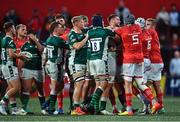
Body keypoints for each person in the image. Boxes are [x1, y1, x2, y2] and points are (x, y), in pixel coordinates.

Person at [115, 15, 161, 116]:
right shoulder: (139, 29)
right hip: (140, 59)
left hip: (129, 59)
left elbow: (114, 31)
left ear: (126, 22)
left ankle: (129, 109)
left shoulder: (123, 29)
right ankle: (154, 102)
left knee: (127, 84)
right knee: (140, 83)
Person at [87, 15, 115, 114]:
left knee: (98, 84)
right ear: (100, 22)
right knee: (104, 83)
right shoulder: (105, 31)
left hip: (91, 61)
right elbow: (114, 34)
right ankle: (91, 105)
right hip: (100, 60)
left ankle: (96, 109)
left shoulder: (89, 32)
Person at [0, 22, 27, 115]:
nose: (15, 30)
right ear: (11, 29)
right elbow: (11, 54)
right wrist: (20, 56)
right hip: (9, 65)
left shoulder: (4, 39)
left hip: (5, 65)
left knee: (11, 88)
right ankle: (2, 103)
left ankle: (14, 109)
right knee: (16, 87)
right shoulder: (9, 40)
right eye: (14, 28)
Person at [18, 29, 47, 115]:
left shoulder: (39, 43)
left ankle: (43, 108)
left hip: (39, 69)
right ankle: (23, 108)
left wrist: (35, 40)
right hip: (27, 69)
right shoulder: (25, 46)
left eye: (31, 35)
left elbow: (41, 50)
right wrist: (19, 69)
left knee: (40, 89)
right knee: (26, 89)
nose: (29, 37)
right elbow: (22, 58)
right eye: (28, 36)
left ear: (34, 35)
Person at [45, 22, 70, 114]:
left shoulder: (49, 39)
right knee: (55, 87)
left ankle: (47, 104)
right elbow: (71, 46)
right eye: (60, 27)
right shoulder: (58, 40)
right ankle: (50, 108)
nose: (62, 29)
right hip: (55, 64)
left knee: (60, 85)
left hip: (50, 63)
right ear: (55, 29)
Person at [68, 16, 88, 115]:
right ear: (75, 23)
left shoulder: (84, 32)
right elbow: (77, 46)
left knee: (79, 84)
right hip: (76, 62)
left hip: (84, 62)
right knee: (79, 84)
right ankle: (76, 108)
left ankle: (76, 107)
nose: (83, 23)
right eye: (81, 22)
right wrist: (87, 37)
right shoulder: (72, 34)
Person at [145, 18, 165, 114]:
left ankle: (151, 106)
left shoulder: (150, 32)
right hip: (159, 61)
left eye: (148, 24)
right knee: (157, 85)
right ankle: (161, 106)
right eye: (146, 24)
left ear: (153, 26)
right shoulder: (155, 34)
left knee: (145, 85)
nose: (146, 26)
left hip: (153, 62)